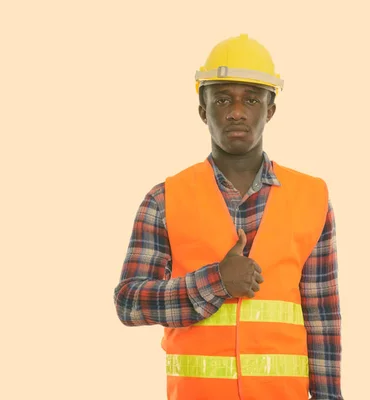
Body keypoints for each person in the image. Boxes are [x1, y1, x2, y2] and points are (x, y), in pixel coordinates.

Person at [113, 34, 343, 400]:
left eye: (251, 99)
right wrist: (216, 281)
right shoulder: (164, 199)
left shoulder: (312, 197)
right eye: (222, 99)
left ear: (270, 110)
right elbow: (128, 302)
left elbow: (322, 318)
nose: (237, 111)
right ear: (203, 110)